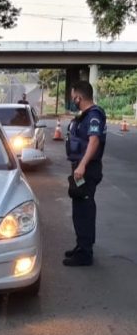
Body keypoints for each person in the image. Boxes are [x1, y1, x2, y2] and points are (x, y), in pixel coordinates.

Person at [64, 80, 107, 267]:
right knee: (79, 207)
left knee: (84, 209)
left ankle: (85, 253)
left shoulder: (95, 115)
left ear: (78, 97)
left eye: (73, 97)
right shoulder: (86, 115)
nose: (73, 100)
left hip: (87, 169)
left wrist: (81, 166)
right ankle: (82, 246)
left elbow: (94, 141)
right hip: (82, 168)